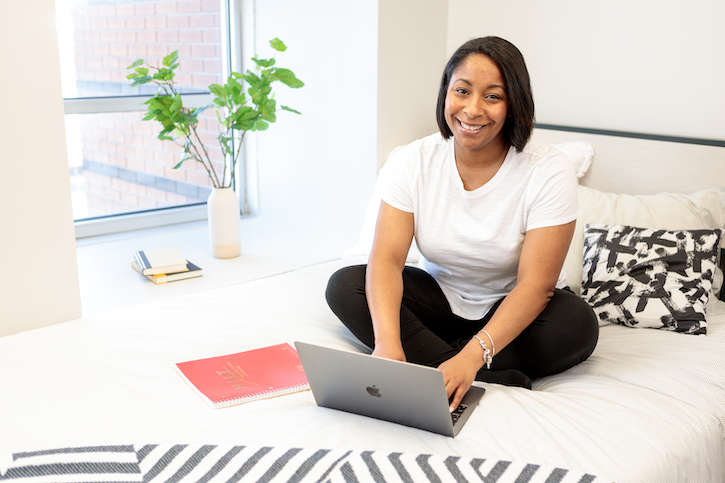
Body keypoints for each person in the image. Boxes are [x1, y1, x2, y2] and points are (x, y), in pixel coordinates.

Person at [325, 36, 599, 412]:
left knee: (576, 325)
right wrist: (387, 344)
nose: (471, 110)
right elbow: (386, 259)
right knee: (346, 286)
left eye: (492, 96)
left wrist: (470, 357)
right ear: (446, 93)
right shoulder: (413, 161)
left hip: (511, 308)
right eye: (462, 91)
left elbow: (535, 287)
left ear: (514, 103)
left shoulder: (548, 169)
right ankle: (486, 376)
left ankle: (451, 362)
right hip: (440, 299)